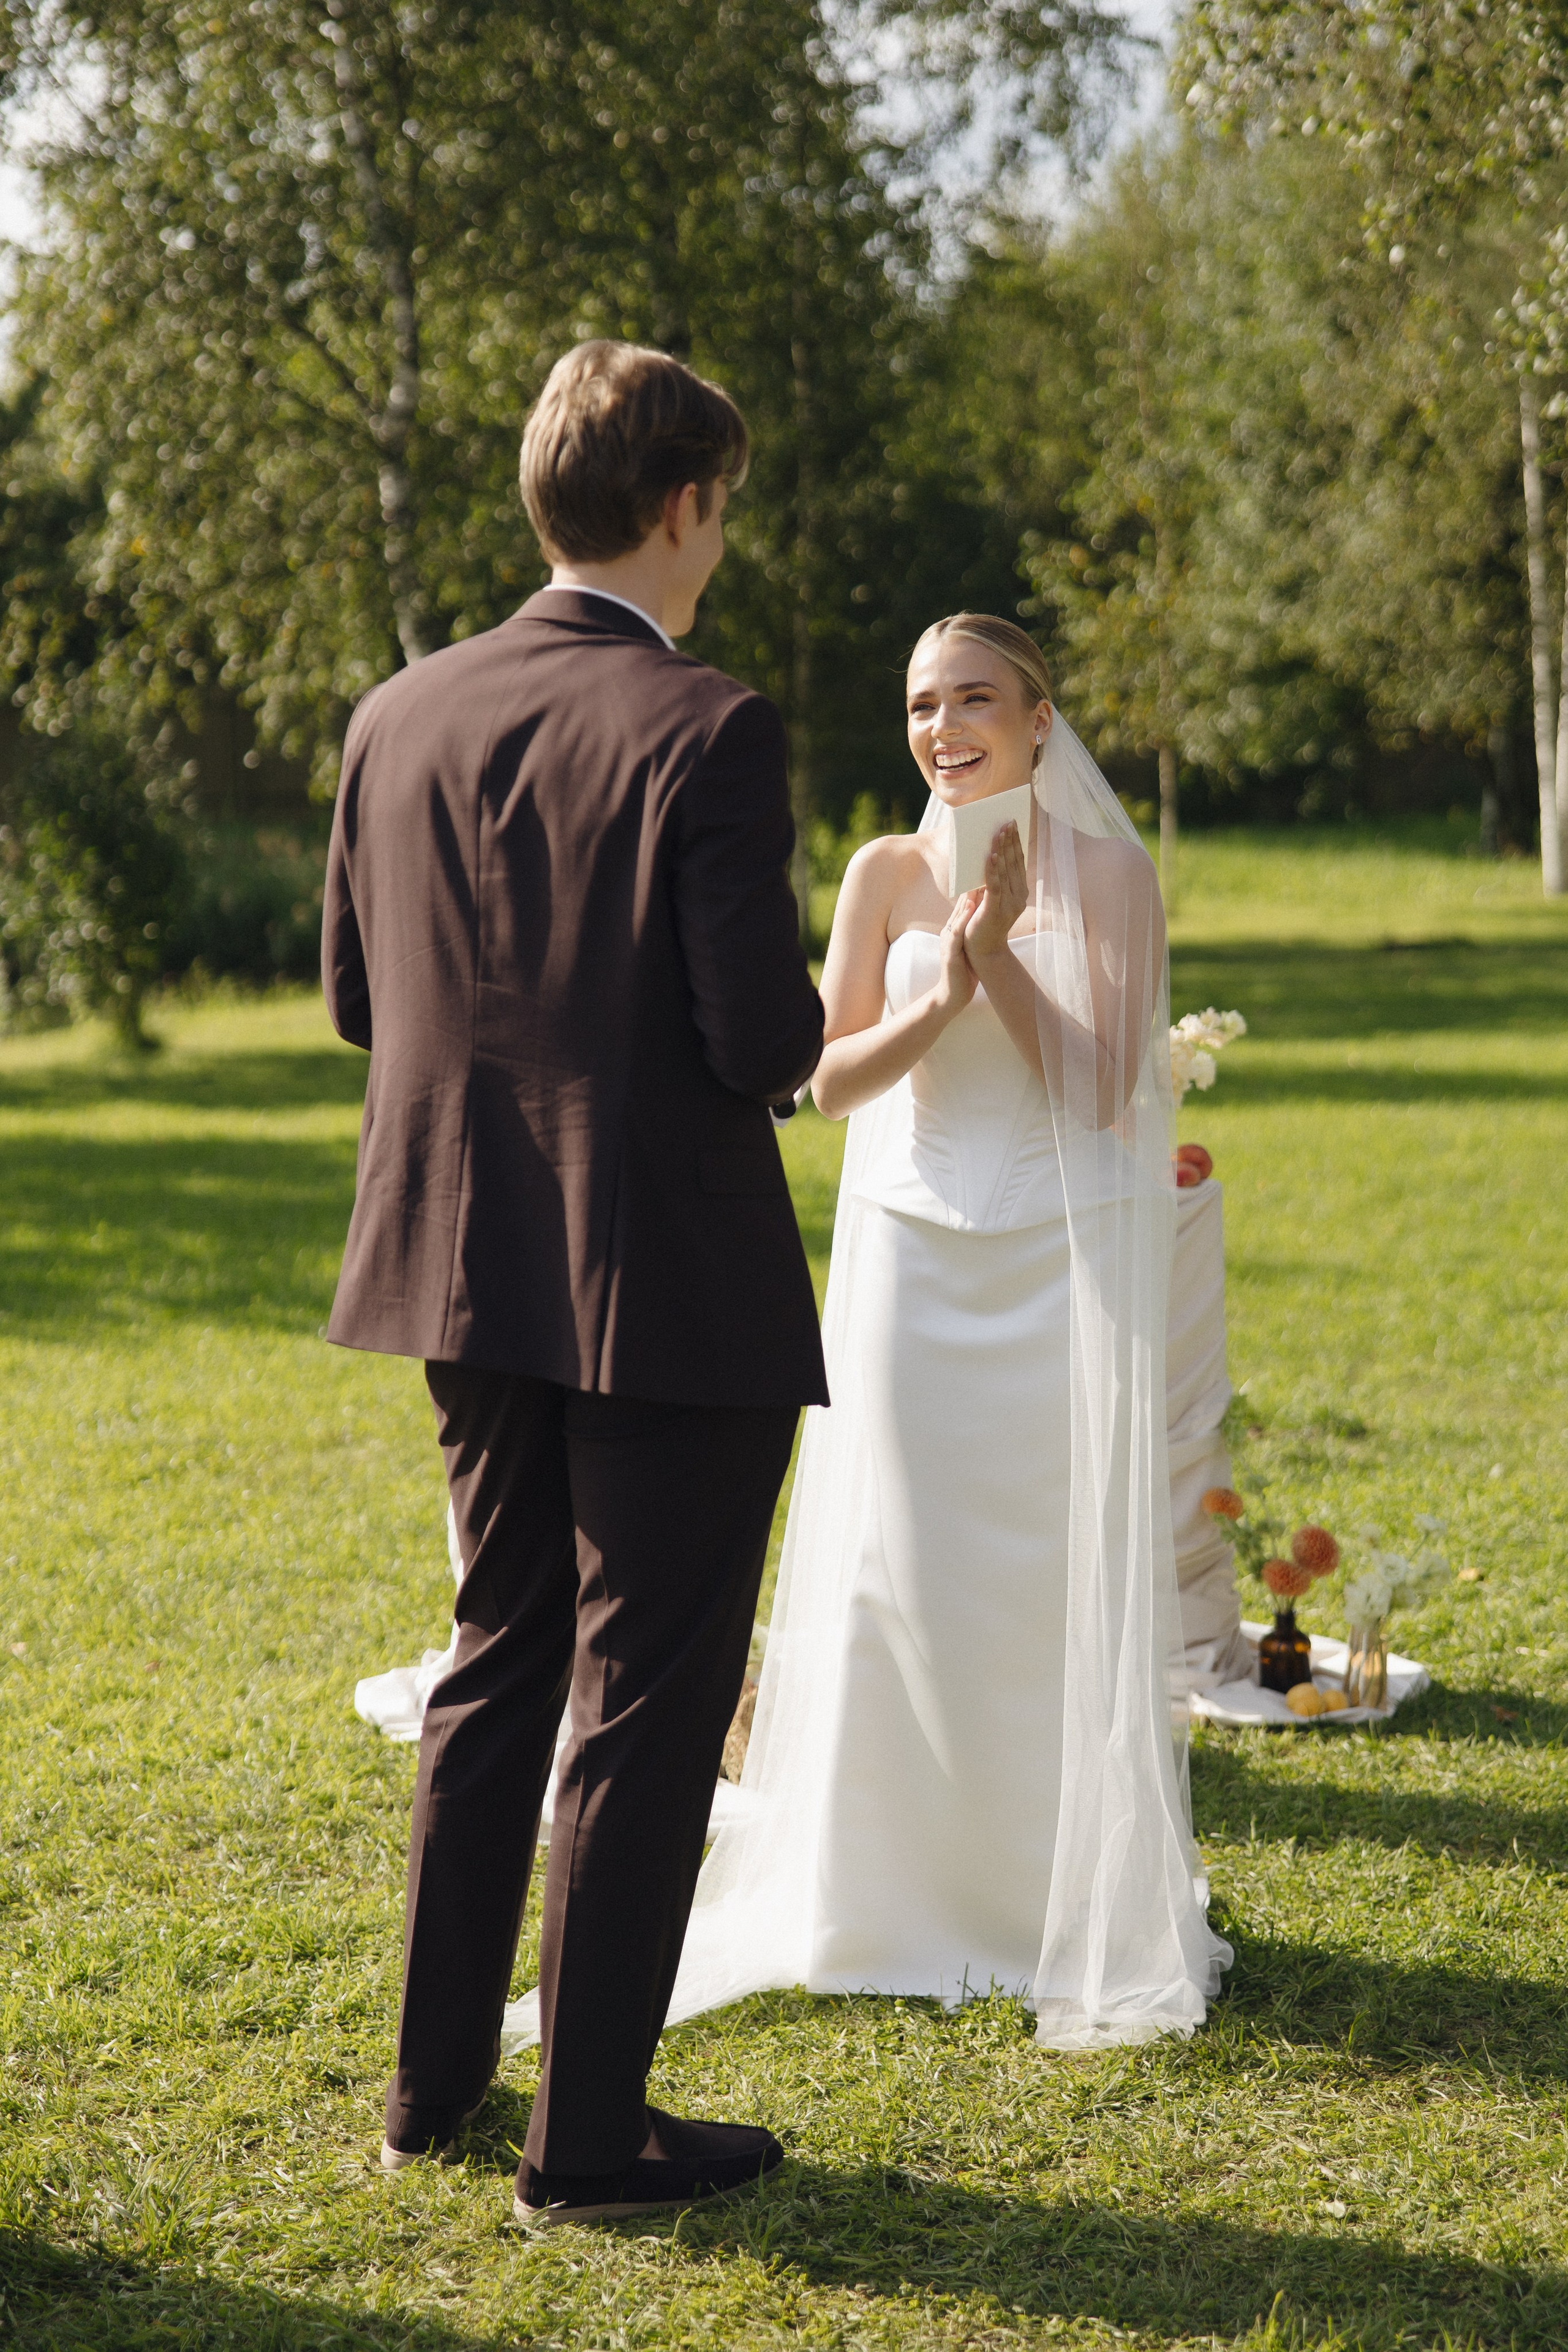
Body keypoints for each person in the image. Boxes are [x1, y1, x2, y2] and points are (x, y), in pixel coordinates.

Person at [321, 340, 826, 2226]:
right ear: (686, 505)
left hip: (462, 1266)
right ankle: (591, 2140)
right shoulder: (710, 724)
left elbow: (360, 1006)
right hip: (671, 1283)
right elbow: (760, 1037)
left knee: (499, 1651)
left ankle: (432, 2087)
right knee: (648, 1691)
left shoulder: (398, 713)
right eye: (728, 509)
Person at [660, 613, 1232, 2044]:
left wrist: (1004, 962)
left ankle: (1035, 1896)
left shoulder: (1108, 872)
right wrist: (946, 993)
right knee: (897, 1563)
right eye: (920, 702)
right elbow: (825, 1080)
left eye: (973, 696)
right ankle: (879, 1894)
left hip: (1053, 1256)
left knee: (1037, 1567)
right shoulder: (882, 873)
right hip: (911, 1256)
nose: (942, 724)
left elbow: (1108, 1094)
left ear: (1038, 717)